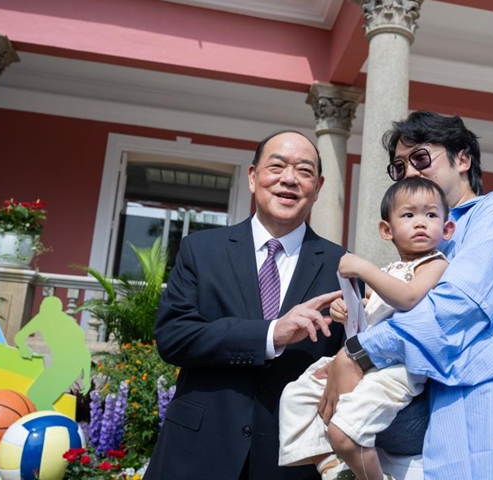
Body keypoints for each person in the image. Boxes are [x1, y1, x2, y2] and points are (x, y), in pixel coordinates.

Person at [320, 111, 493, 480]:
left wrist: (358, 352)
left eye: (420, 158)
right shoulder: (432, 241)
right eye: (399, 167)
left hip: (488, 430)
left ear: (463, 159)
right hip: (432, 437)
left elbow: (457, 308)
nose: (409, 172)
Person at [145, 130, 346, 480]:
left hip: (293, 461)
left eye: (304, 171)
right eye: (277, 166)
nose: (289, 179)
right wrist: (271, 334)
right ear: (253, 177)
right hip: (198, 453)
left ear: (318, 186)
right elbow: (174, 336)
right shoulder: (201, 250)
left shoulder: (341, 266)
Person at [279, 178, 455, 480]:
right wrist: (344, 310)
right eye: (409, 215)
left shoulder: (434, 264)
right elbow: (370, 311)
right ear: (387, 230)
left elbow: (408, 297)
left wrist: (363, 268)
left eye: (431, 215)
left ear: (447, 229)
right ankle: (332, 467)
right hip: (363, 363)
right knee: (295, 395)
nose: (421, 223)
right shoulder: (390, 271)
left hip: (396, 369)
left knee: (346, 430)